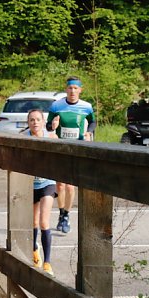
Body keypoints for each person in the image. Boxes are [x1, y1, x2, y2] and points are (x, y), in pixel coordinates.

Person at [47, 76, 95, 234]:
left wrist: (89, 132)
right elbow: (48, 125)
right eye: (70, 88)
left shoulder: (86, 106)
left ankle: (66, 215)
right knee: (60, 185)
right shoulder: (56, 105)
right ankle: (61, 214)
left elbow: (93, 122)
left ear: (80, 90)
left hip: (77, 149)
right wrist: (52, 125)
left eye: (75, 88)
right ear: (66, 89)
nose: (72, 91)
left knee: (70, 186)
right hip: (62, 149)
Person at [25, 109, 57, 275]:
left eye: (38, 119)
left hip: (47, 183)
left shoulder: (50, 137)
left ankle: (47, 262)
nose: (35, 122)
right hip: (30, 185)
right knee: (33, 223)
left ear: (44, 122)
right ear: (28, 122)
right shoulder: (23, 138)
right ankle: (34, 249)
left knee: (44, 222)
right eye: (32, 120)